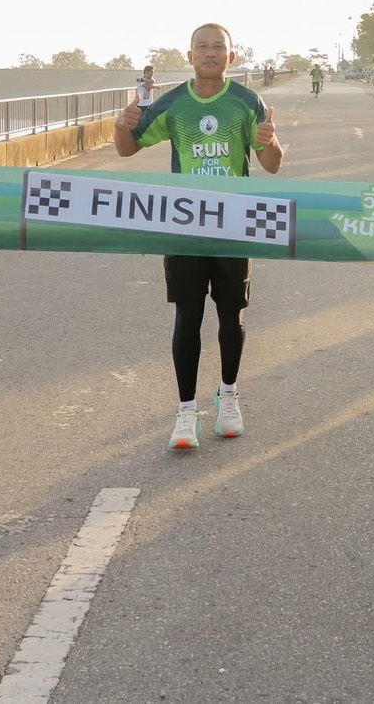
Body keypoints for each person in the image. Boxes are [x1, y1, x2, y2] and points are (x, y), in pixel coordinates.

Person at [113, 24, 283, 449]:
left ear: (231, 56)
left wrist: (268, 140)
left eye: (218, 47)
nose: (210, 53)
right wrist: (121, 125)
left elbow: (272, 163)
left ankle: (228, 396)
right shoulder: (174, 103)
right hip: (185, 225)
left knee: (231, 315)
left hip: (234, 226)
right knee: (187, 316)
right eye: (202, 47)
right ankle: (186, 412)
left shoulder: (247, 102)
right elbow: (127, 148)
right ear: (189, 57)